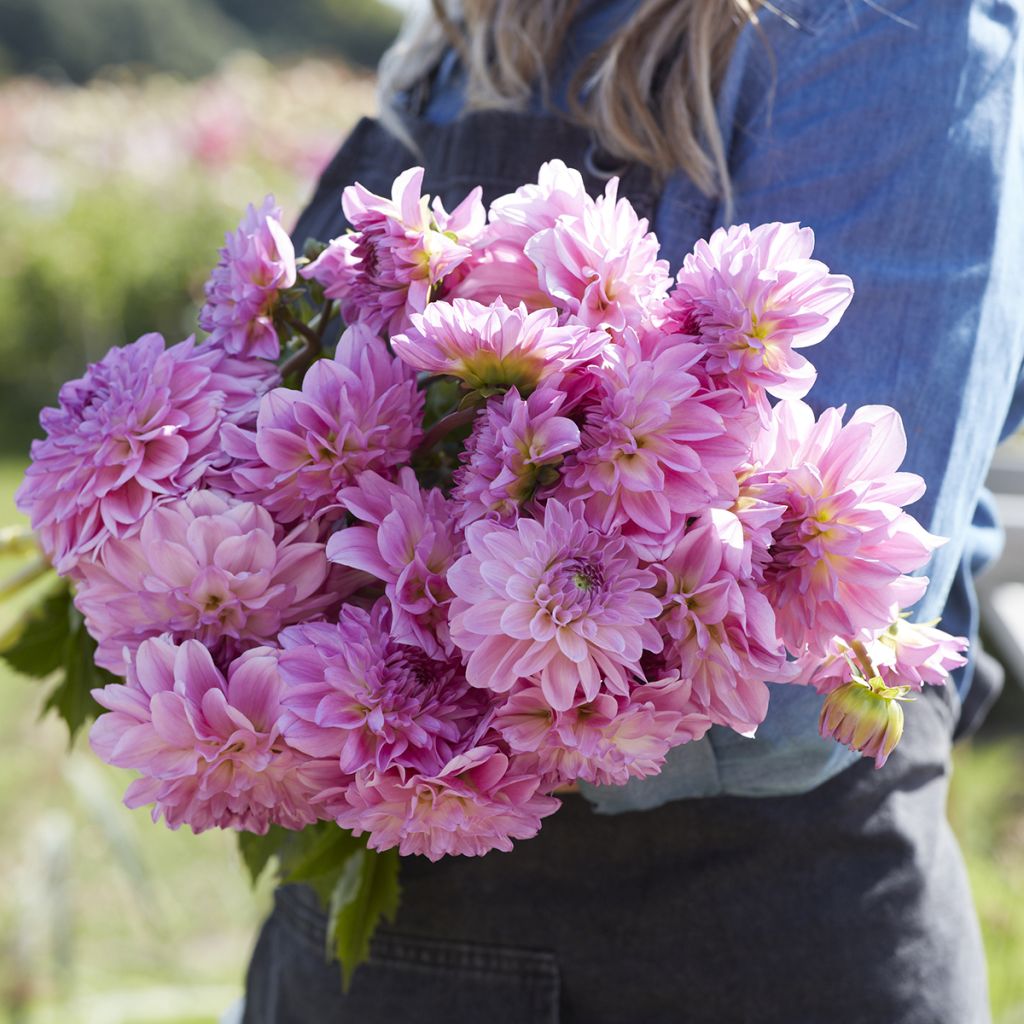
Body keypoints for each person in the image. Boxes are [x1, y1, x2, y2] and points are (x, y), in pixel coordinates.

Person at [242, 1, 1024, 1021]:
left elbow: (796, 679)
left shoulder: (887, 26)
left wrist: (365, 708)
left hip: (716, 958)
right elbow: (264, 437)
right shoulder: (466, 25)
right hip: (365, 966)